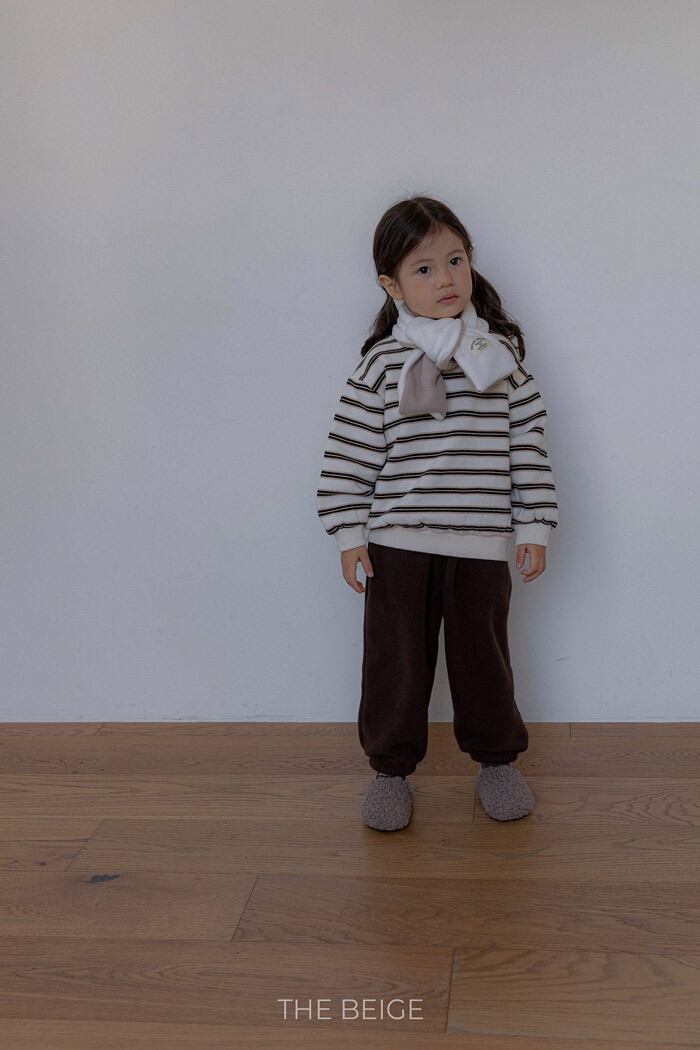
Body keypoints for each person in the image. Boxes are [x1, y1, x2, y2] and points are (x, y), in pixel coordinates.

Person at [316, 195, 559, 832]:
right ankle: (390, 771)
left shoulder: (501, 362)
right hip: (396, 545)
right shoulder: (380, 366)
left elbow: (528, 447)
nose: (445, 279)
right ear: (391, 285)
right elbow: (350, 453)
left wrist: (534, 525)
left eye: (455, 261)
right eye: (423, 269)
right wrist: (348, 533)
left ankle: (497, 763)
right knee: (395, 664)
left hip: (482, 545)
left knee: (484, 662)